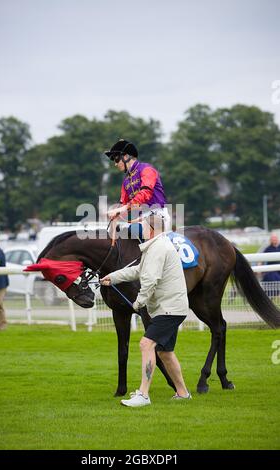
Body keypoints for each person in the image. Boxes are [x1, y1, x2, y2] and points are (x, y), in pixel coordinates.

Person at [100, 214, 191, 407]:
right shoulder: (156, 246)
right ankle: (183, 393)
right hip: (171, 308)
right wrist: (112, 277)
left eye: (141, 227)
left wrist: (138, 303)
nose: (139, 231)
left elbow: (150, 280)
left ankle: (143, 395)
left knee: (146, 344)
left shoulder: (158, 248)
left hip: (169, 309)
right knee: (165, 353)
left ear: (150, 229)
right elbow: (137, 270)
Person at [104, 139, 171, 232]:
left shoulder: (147, 169)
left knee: (133, 231)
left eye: (116, 159)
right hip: (140, 219)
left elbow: (146, 193)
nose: (115, 164)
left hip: (157, 215)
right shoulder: (125, 182)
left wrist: (123, 208)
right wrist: (116, 213)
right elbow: (123, 204)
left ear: (126, 156)